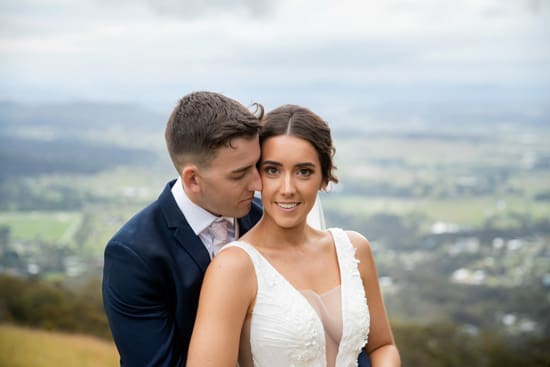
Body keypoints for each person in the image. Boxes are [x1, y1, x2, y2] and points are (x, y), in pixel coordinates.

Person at [187, 104, 400, 366]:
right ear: (256, 175)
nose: (287, 189)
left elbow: (383, 346)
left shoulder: (354, 250)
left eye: (304, 172)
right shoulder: (233, 268)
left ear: (324, 177)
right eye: (272, 170)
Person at [102, 91, 264, 366]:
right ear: (193, 179)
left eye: (257, 165)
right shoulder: (133, 256)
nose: (258, 183)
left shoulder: (264, 219)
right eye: (240, 173)